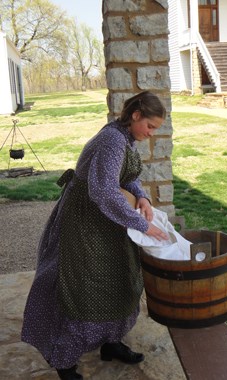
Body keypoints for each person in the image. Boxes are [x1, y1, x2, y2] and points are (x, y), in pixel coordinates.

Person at [21, 91, 168, 380]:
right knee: (84, 287)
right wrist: (142, 226)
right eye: (150, 127)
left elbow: (125, 177)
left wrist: (142, 197)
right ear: (136, 115)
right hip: (85, 223)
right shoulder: (112, 140)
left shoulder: (123, 136)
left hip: (106, 220)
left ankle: (110, 342)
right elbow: (103, 191)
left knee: (120, 279)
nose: (150, 134)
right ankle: (65, 363)